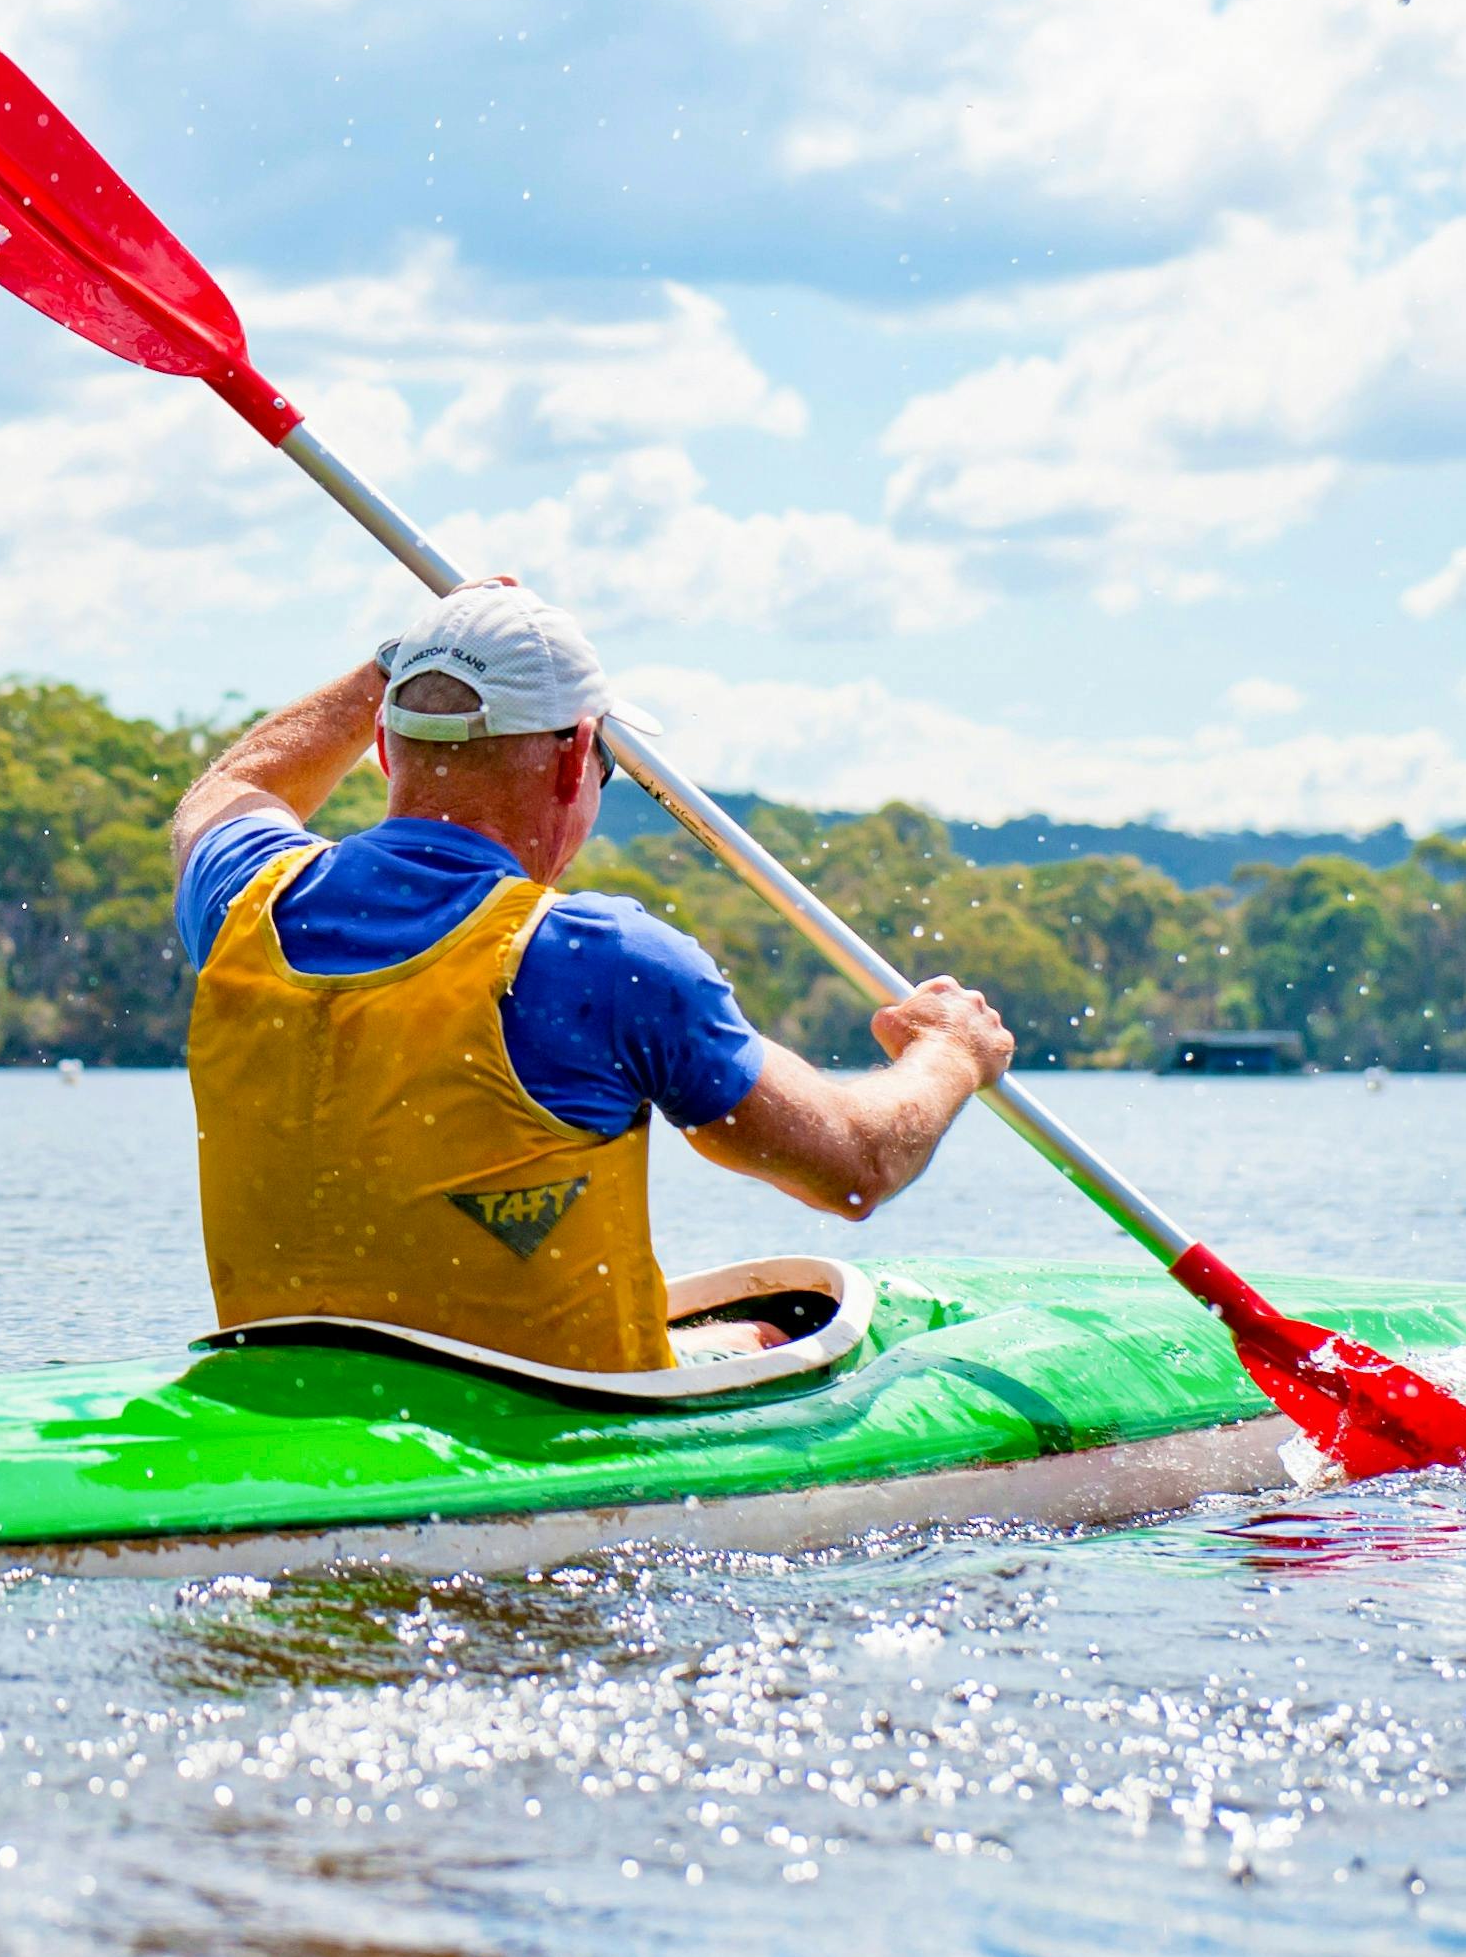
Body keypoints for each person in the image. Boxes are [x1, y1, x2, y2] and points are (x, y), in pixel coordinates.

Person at [170, 581, 1014, 1376]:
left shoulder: (243, 897)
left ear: (385, 749)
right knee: (769, 1334)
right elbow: (854, 1166)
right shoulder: (600, 957)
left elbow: (233, 787)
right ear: (578, 755)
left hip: (288, 1391)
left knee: (741, 1329)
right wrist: (949, 1051)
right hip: (550, 1429)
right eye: (605, 763)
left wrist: (395, 664)